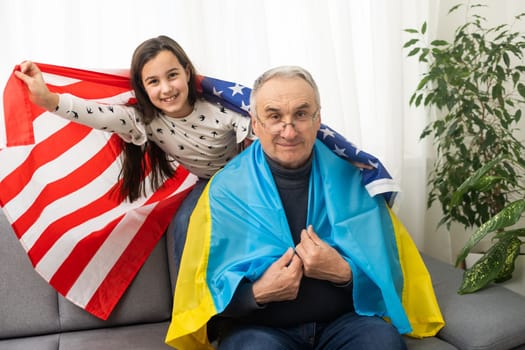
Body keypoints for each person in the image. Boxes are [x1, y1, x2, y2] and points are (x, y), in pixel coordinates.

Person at [14, 36, 399, 283]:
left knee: (283, 222)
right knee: (185, 225)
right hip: (207, 185)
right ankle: (200, 309)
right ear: (142, 88)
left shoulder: (222, 110)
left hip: (249, 179)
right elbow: (93, 113)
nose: (166, 89)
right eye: (153, 81)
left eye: (172, 75)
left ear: (187, 73)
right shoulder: (141, 120)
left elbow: (261, 140)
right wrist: (47, 99)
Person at [165, 66, 444, 349]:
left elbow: (390, 275)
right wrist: (258, 293)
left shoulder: (355, 180)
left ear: (317, 118)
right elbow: (204, 299)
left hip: (344, 323)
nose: (289, 130)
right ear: (255, 123)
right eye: (274, 116)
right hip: (261, 330)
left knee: (383, 342)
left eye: (300, 114)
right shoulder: (224, 192)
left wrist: (345, 274)